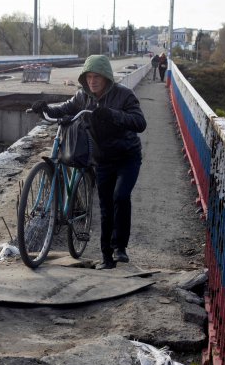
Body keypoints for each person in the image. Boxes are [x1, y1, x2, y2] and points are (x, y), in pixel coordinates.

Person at [31, 55, 147, 270]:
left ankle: (119, 247)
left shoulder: (124, 95)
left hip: (127, 157)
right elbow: (64, 109)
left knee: (120, 197)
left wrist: (110, 114)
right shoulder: (82, 97)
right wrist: (45, 108)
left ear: (106, 78)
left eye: (97, 77)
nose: (92, 81)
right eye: (89, 77)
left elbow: (140, 123)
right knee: (104, 207)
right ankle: (107, 258)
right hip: (102, 159)